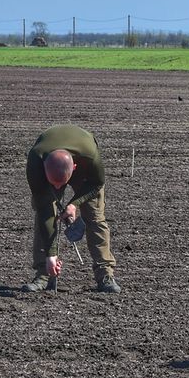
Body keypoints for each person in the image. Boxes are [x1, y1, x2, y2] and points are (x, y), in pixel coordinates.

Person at [21, 124, 120, 293]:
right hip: (47, 162)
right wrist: (51, 255)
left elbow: (96, 183)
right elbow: (45, 211)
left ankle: (105, 275)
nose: (59, 189)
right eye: (54, 185)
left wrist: (74, 204)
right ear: (44, 169)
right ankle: (43, 274)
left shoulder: (90, 156)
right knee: (44, 216)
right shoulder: (36, 162)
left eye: (62, 184)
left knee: (95, 217)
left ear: (73, 168)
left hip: (86, 171)